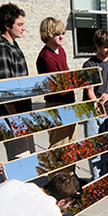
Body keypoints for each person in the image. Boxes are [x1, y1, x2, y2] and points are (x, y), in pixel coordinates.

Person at [0, 3, 35, 160]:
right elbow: (5, 90)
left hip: (21, 115)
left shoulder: (13, 46)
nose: (24, 28)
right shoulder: (2, 49)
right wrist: (16, 119)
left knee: (29, 161)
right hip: (12, 117)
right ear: (7, 25)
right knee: (21, 163)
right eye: (20, 24)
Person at [82, 29, 108, 179]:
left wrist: (106, 98)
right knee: (93, 147)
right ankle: (95, 178)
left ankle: (103, 177)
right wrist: (98, 105)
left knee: (106, 147)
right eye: (105, 47)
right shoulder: (89, 64)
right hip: (91, 112)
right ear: (97, 46)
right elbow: (89, 89)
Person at [36, 17, 77, 149]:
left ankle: (70, 171)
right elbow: (61, 89)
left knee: (72, 146)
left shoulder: (61, 51)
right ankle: (59, 171)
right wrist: (80, 80)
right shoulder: (46, 57)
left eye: (63, 33)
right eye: (57, 34)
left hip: (69, 104)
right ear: (47, 35)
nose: (61, 37)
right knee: (59, 148)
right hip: (57, 106)